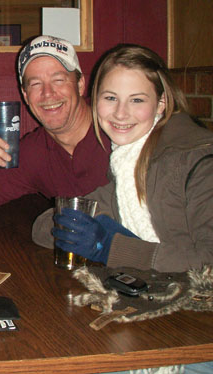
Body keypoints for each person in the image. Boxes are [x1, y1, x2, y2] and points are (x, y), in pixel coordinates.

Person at [33, 44, 213, 273]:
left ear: (161, 103)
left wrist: (111, 247)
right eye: (110, 98)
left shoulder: (198, 163)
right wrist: (89, 229)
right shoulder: (128, 166)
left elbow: (209, 265)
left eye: (136, 100)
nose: (120, 113)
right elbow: (43, 228)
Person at [0, 35, 111, 214]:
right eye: (36, 84)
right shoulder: (34, 151)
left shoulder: (117, 126)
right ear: (26, 96)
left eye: (58, 80)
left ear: (80, 85)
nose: (48, 93)